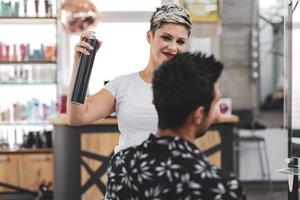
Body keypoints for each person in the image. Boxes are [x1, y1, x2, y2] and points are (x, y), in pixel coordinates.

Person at [106, 52, 247, 200]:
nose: (215, 113)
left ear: (155, 101)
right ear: (199, 114)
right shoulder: (221, 187)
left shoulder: (121, 165)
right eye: (215, 103)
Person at [66, 4, 192, 154]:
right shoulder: (122, 85)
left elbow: (214, 113)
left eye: (180, 42)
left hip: (172, 174)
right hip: (128, 174)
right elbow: (76, 117)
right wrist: (79, 65)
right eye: (166, 38)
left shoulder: (190, 86)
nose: (172, 47)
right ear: (149, 37)